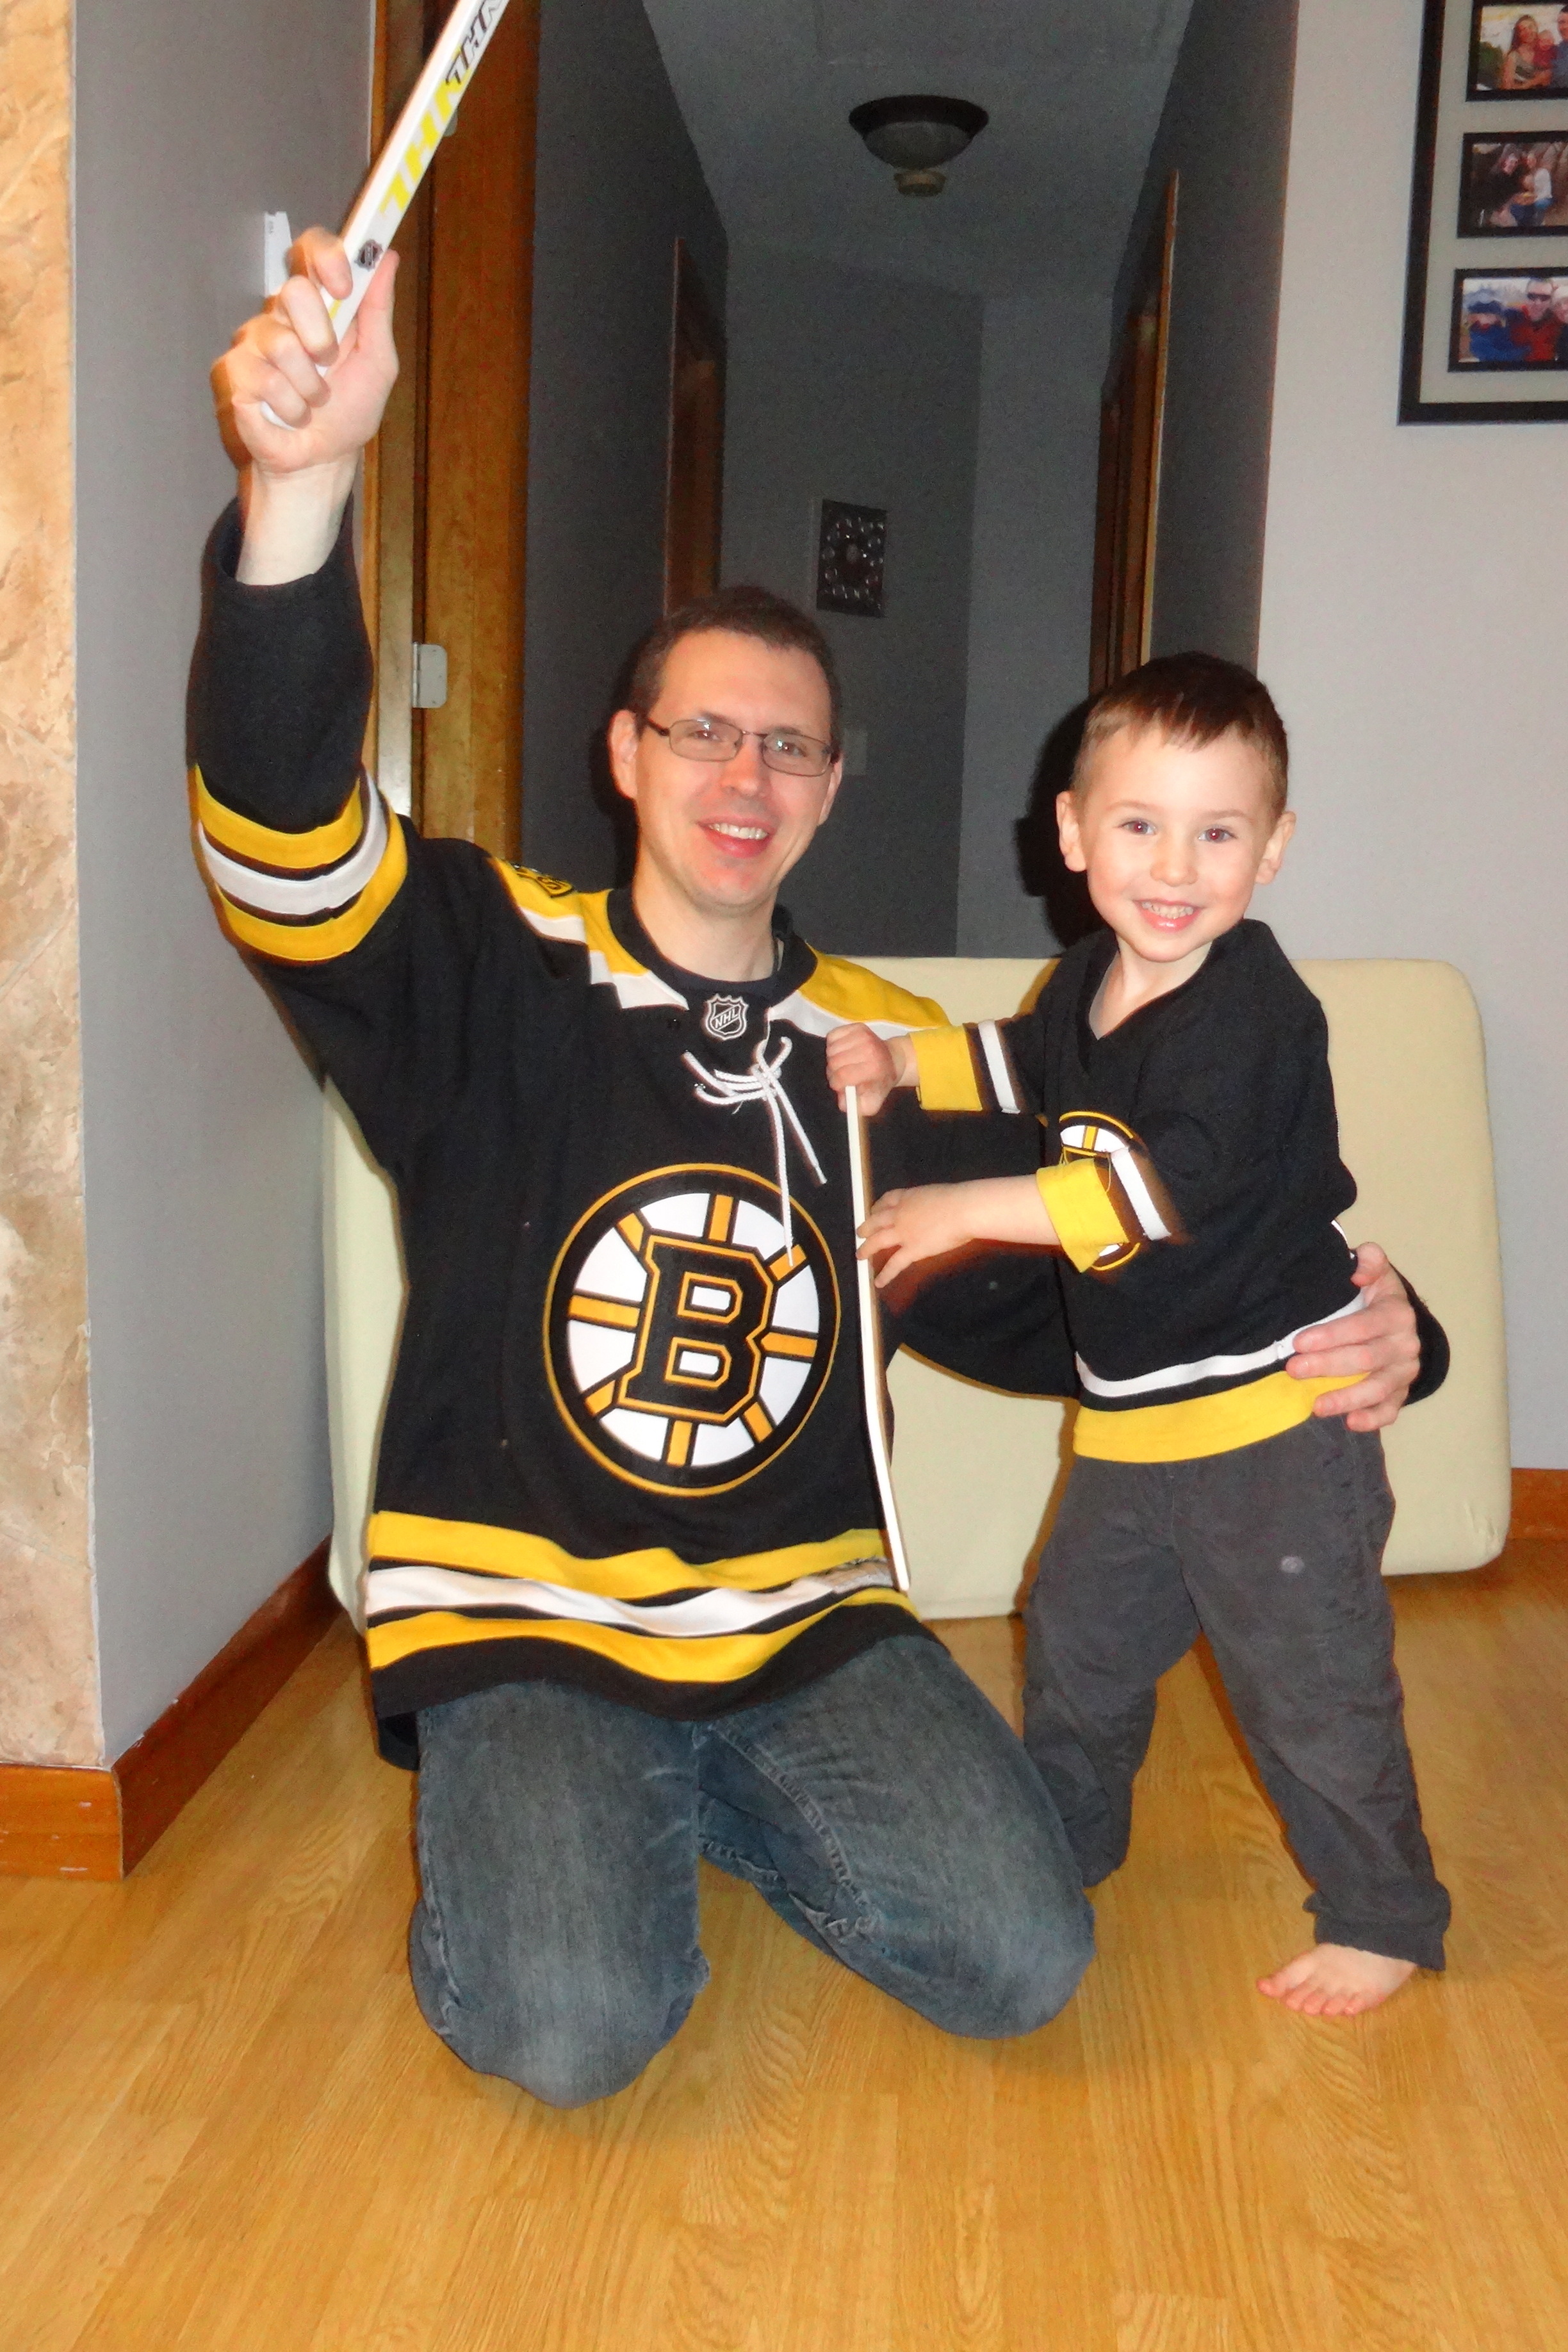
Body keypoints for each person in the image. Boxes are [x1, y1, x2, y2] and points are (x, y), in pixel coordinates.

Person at [199, 232, 1439, 2099]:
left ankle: (682, 1795)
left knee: (1025, 1959)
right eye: (702, 730)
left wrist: (1353, 1320)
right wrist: (300, 496)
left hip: (806, 1619)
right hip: (527, 1612)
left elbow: (1086, 1295)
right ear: (626, 754)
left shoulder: (878, 1047)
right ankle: (578, 1801)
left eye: (789, 745)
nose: (745, 775)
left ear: (833, 787)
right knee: (572, 2032)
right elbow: (282, 839)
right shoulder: (487, 963)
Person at [826, 655, 1450, 2020]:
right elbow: (1020, 1063)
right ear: (1072, 833)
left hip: (1274, 1429)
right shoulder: (1085, 983)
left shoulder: (1255, 1018)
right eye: (1138, 825)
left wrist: (962, 1209)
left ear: (1272, 849)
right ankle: (1062, 1838)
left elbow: (1150, 1191)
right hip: (1129, 1427)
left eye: (1217, 832)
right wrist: (904, 1059)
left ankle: (1382, 1911)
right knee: (1076, 1645)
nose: (1174, 867)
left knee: (1311, 1685)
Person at [1510, 277, 1562, 360]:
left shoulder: (1559, 322)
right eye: (1532, 296)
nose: (1538, 303)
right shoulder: (1512, 318)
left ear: (1552, 300)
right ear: (1526, 297)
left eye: (1545, 298)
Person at [1501, 15, 1549, 87]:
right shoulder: (1514, 56)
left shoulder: (1544, 52)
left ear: (1536, 28)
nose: (1528, 32)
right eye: (1523, 30)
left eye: (1530, 27)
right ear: (1519, 35)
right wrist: (1535, 81)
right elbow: (1507, 88)